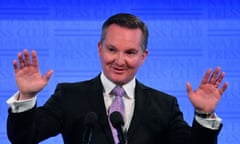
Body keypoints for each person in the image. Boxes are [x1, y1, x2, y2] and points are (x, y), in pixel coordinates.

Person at [7, 13, 228, 144]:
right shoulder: (69, 96)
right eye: (112, 49)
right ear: (100, 49)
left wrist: (203, 114)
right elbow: (24, 139)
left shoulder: (164, 105)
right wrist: (27, 97)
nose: (119, 60)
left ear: (144, 56)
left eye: (130, 52)